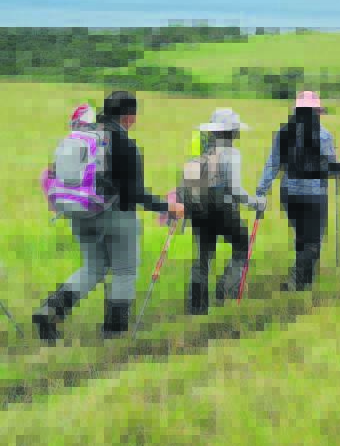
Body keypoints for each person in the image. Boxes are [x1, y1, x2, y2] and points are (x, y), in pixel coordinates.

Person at [32, 92, 184, 341]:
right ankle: (114, 332)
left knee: (93, 267)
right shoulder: (125, 144)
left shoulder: (87, 135)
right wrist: (168, 207)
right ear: (129, 116)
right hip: (116, 215)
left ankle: (50, 310)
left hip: (79, 212)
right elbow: (135, 193)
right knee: (125, 270)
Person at [255, 91, 340, 292]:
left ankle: (304, 281)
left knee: (302, 236)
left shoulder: (284, 132)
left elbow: (273, 163)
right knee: (313, 241)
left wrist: (261, 190)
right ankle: (296, 280)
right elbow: (332, 167)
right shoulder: (324, 135)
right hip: (314, 194)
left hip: (288, 193)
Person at [180, 108, 262, 315]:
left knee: (203, 257)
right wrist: (256, 203)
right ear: (232, 131)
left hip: (199, 209)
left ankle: (196, 307)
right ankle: (225, 290)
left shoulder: (201, 150)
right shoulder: (231, 154)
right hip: (222, 210)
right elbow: (235, 189)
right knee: (242, 245)